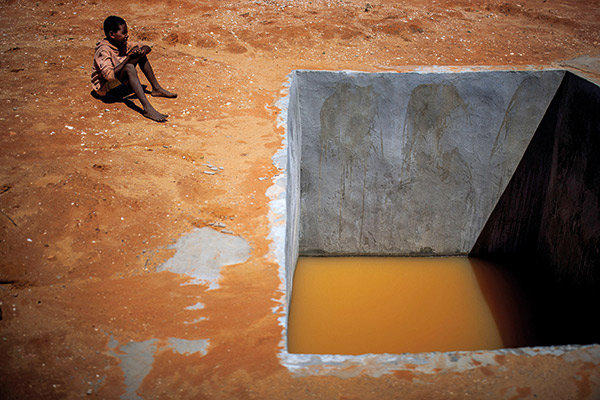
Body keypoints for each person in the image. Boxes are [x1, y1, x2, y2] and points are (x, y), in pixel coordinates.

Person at [91, 16, 177, 122]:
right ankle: (147, 108)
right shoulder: (104, 50)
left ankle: (156, 88)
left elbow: (147, 47)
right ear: (112, 34)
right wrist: (128, 58)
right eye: (123, 33)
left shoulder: (122, 43)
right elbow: (109, 75)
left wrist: (140, 51)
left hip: (118, 85)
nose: (126, 36)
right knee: (129, 67)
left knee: (139, 55)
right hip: (107, 93)